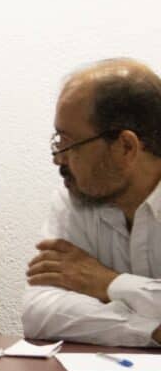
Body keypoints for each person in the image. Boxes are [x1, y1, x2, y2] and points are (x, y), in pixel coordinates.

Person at [23, 59, 161, 346]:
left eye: (68, 143)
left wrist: (108, 283)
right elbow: (39, 311)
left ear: (126, 147)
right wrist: (150, 331)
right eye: (57, 141)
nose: (58, 158)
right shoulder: (75, 197)